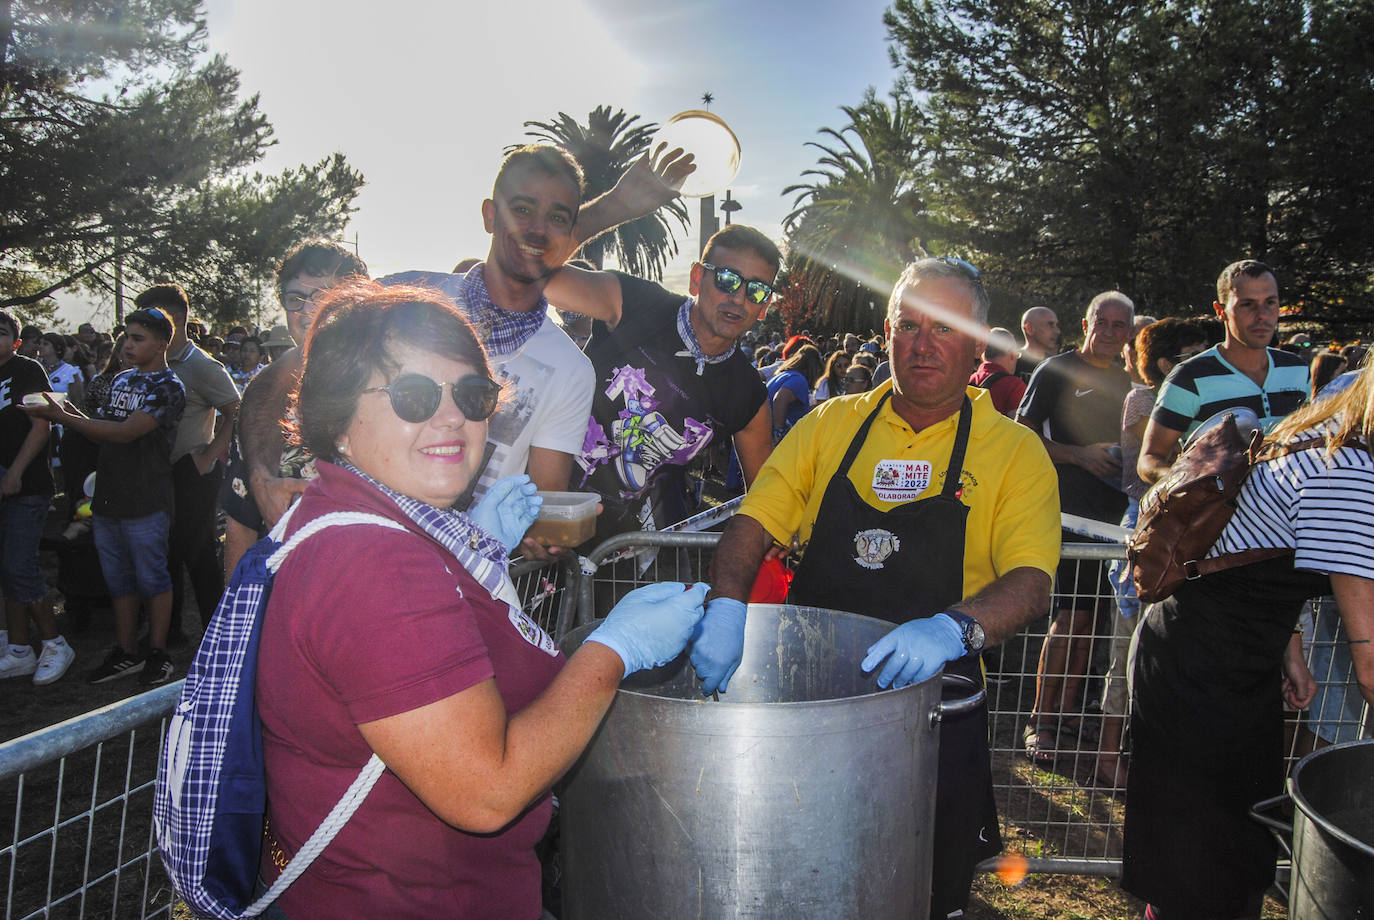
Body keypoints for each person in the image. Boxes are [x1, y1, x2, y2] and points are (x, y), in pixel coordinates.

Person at [255, 280, 706, 918]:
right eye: (412, 395)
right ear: (337, 422)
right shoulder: (376, 562)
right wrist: (613, 650)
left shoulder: (377, 522)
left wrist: (479, 553)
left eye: (472, 395)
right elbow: (485, 793)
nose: (450, 418)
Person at [698, 257, 1060, 919]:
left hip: (935, 716)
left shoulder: (1013, 452)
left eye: (944, 329)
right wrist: (726, 602)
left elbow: (1031, 581)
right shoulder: (829, 425)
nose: (922, 345)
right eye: (908, 326)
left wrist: (952, 629)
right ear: (888, 332)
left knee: (923, 890)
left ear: (978, 345)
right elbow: (754, 522)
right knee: (802, 881)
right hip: (814, 711)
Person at [1122, 348, 1374, 920]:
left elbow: (1251, 550)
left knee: (1227, 849)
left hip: (1221, 660)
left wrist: (1292, 658)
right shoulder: (1350, 475)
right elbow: (1371, 664)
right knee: (1203, 860)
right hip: (1198, 672)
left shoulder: (1313, 441)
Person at [383, 145, 691, 557]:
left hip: (471, 579)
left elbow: (544, 501)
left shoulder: (570, 369)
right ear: (490, 215)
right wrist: (264, 473)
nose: (537, 229)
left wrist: (542, 533)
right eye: (522, 209)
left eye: (557, 219)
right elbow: (298, 377)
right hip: (369, 550)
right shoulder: (406, 300)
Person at [544, 223, 779, 546]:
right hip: (535, 509)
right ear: (697, 278)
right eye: (727, 279)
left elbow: (765, 497)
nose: (738, 298)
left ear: (765, 306)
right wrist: (616, 207)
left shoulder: (747, 395)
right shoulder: (635, 302)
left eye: (756, 291)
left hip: (614, 550)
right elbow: (531, 272)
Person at [26, 308, 186, 685]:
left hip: (146, 499)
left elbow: (126, 433)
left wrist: (63, 418)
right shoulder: (120, 380)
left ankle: (158, 652)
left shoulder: (168, 386)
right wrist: (61, 408)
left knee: (152, 578)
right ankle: (127, 651)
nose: (128, 345)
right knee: (119, 580)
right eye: (127, 337)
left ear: (161, 344)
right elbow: (100, 427)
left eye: (138, 338)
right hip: (110, 496)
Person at [1015, 290, 1133, 763]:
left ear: (1128, 333)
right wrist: (1078, 455)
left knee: (1095, 621)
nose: (1108, 331)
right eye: (1100, 322)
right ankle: (1039, 722)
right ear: (1085, 324)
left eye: (1118, 325)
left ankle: (1066, 714)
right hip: (1068, 513)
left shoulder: (1130, 379)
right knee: (1070, 617)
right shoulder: (1056, 369)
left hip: (1118, 518)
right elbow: (1022, 434)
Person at [1097, 317, 1208, 787]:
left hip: (1186, 530)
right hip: (1144, 527)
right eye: (1195, 354)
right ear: (1167, 363)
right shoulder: (1146, 398)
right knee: (1129, 648)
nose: (1206, 363)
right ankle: (1107, 755)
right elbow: (1167, 458)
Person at [220, 241, 369, 579]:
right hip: (288, 588)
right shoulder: (263, 403)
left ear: (358, 300)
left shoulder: (396, 389)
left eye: (323, 295)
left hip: (373, 584)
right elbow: (241, 519)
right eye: (295, 299)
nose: (306, 311)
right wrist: (237, 610)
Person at [1138, 260, 1309, 485]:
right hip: (1220, 516)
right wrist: (1182, 481)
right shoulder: (1189, 377)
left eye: (1270, 302)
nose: (1262, 315)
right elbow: (1149, 459)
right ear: (1221, 311)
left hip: (1287, 512)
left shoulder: (1296, 368)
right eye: (1248, 304)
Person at [136, 283, 241, 645]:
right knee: (163, 551)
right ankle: (171, 629)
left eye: (155, 320)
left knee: (197, 554)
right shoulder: (145, 362)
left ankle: (217, 631)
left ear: (177, 319)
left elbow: (236, 412)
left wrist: (208, 456)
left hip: (192, 471)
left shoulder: (201, 366)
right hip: (153, 473)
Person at [0, 311, 76, 684]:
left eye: (0, 333)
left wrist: (14, 472)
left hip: (26, 485)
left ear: (15, 341)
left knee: (20, 565)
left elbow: (41, 427)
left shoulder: (27, 370)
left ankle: (55, 642)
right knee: (7, 568)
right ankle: (18, 649)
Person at [766, 343, 822, 443]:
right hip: (773, 440)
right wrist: (779, 433)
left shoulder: (785, 375)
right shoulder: (799, 380)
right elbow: (779, 399)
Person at [969, 326, 1025, 416]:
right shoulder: (1014, 386)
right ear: (1012, 355)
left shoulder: (968, 380)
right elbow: (1018, 424)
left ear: (983, 355)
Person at [1016, 305, 1061, 380]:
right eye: (1050, 324)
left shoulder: (1056, 365)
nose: (1057, 331)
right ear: (1029, 328)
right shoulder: (1012, 362)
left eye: (1056, 325)